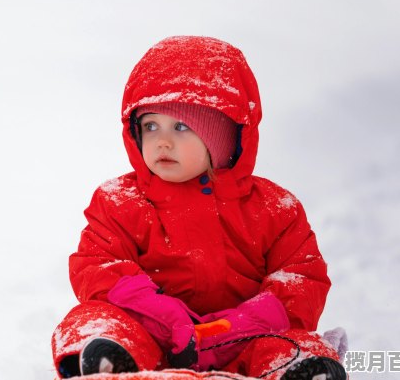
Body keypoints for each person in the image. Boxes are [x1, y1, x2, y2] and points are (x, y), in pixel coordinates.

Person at [51, 36, 347, 380]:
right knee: (91, 319)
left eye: (181, 126)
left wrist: (248, 321)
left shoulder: (275, 208)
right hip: (154, 337)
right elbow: (99, 265)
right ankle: (110, 364)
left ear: (224, 136)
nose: (162, 140)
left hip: (246, 339)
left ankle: (295, 371)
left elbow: (302, 277)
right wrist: (160, 313)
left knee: (294, 341)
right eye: (150, 125)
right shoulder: (119, 201)